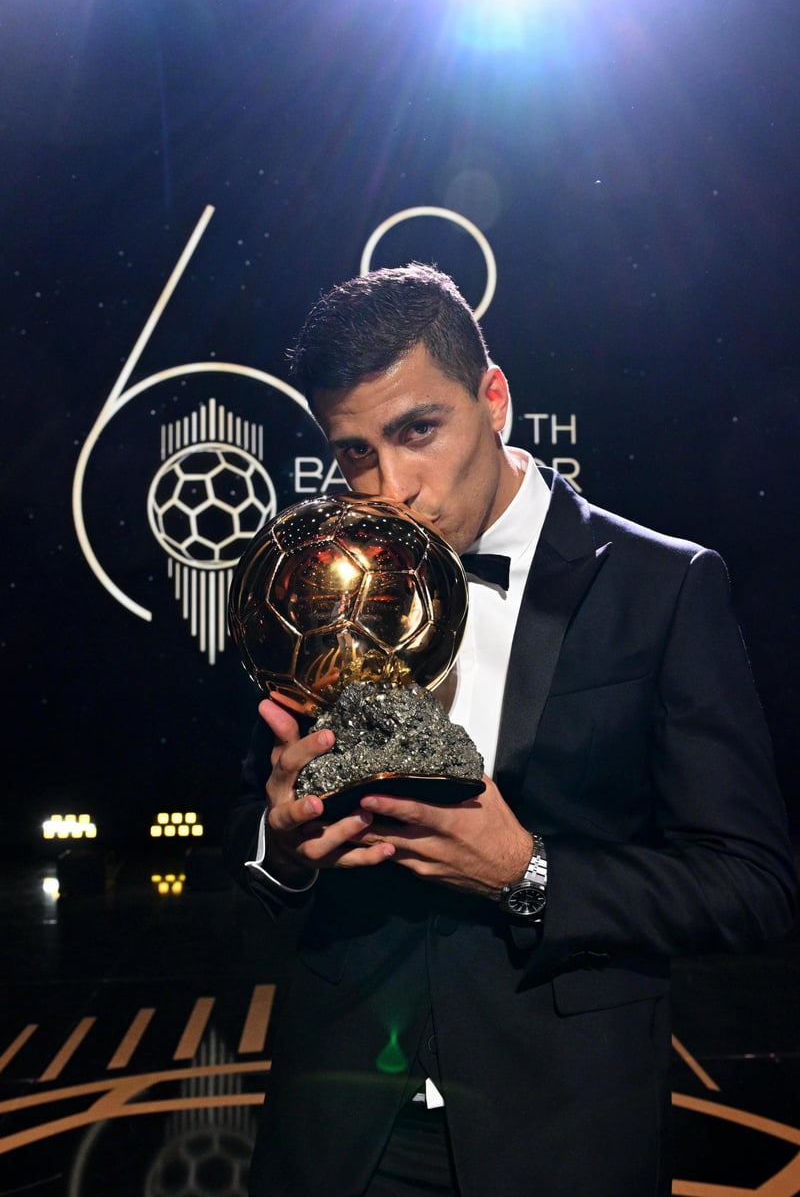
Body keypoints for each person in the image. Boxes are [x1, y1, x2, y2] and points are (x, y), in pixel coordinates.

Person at [225, 263, 796, 1197]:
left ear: (494, 399)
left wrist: (527, 872)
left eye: (418, 430)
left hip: (561, 1132)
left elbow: (750, 884)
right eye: (355, 453)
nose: (391, 488)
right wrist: (280, 846)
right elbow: (245, 821)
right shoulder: (321, 583)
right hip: (338, 1125)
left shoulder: (664, 586)